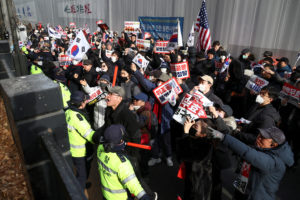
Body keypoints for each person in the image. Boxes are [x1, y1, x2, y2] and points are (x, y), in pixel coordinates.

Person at [209, 127, 294, 200]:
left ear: (273, 145)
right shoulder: (262, 148)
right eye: (259, 135)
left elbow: (248, 153)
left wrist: (223, 137)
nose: (258, 138)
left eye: (263, 137)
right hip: (243, 189)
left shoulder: (273, 162)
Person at [97, 124, 156, 200]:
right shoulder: (122, 164)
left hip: (106, 194)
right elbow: (134, 186)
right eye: (121, 138)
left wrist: (119, 145)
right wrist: (145, 197)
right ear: (119, 142)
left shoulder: (100, 148)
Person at [65, 91, 95, 192]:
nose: (86, 101)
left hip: (71, 149)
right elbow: (90, 136)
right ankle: (79, 192)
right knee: (82, 176)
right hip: (79, 153)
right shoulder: (78, 119)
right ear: (81, 104)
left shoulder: (68, 112)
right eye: (85, 100)